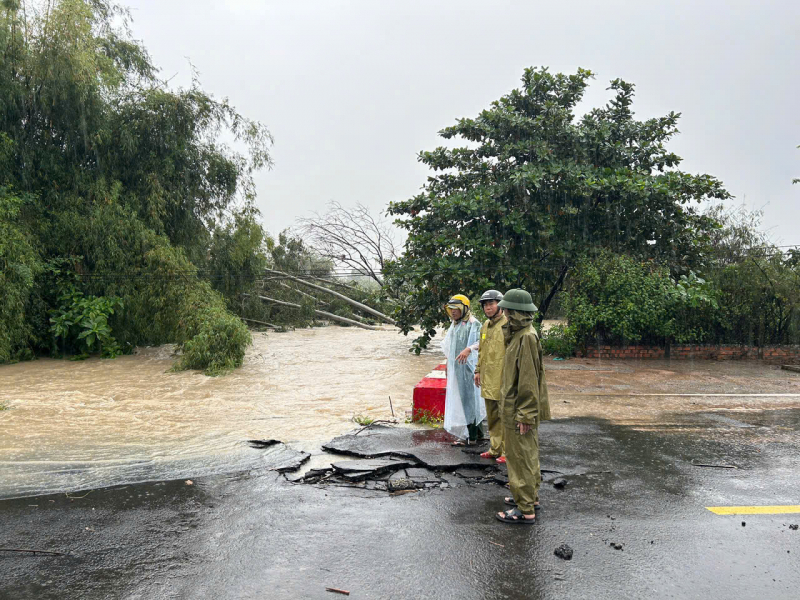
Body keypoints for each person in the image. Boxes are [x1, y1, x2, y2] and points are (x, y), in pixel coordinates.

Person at [494, 288, 551, 524]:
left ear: (517, 312)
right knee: (525, 455)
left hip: (519, 409)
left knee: (519, 459)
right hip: (514, 407)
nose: (503, 313)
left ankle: (524, 509)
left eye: (507, 309)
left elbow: (528, 379)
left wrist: (525, 414)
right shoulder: (518, 334)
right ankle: (530, 498)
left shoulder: (526, 337)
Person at [457, 290, 507, 462]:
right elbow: (482, 351)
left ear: (500, 304)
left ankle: (507, 452)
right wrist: (478, 370)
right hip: (487, 377)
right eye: (486, 305)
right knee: (492, 416)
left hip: (503, 377)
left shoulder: (508, 325)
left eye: (491, 304)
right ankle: (495, 448)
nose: (488, 307)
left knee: (505, 415)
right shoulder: (485, 325)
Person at [441, 294, 486, 445]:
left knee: (470, 401)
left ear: (464, 309)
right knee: (464, 401)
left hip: (469, 370)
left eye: (456, 309)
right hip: (457, 370)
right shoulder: (455, 325)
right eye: (451, 309)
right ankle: (478, 434)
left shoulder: (474, 324)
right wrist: (448, 365)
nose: (453, 312)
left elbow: (483, 342)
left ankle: (471, 437)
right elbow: (450, 347)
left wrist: (469, 348)